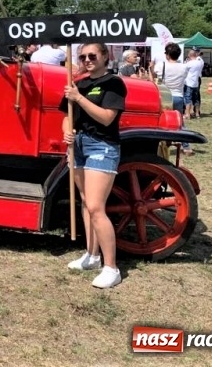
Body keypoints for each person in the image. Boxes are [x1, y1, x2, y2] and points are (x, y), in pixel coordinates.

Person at [60, 42, 126, 289]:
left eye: (92, 56)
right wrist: (67, 131)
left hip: (102, 146)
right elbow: (66, 115)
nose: (87, 60)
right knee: (86, 202)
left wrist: (78, 97)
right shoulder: (78, 83)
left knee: (97, 207)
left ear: (105, 56)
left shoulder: (113, 83)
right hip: (78, 145)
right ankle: (92, 255)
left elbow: (107, 118)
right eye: (83, 57)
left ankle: (112, 268)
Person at [159, 43, 193, 155]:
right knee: (180, 122)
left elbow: (156, 79)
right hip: (178, 96)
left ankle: (164, 143)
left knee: (161, 121)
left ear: (168, 54)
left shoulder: (162, 65)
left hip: (165, 96)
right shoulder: (184, 67)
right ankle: (186, 146)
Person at [184, 48, 204, 119]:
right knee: (196, 98)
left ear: (189, 55)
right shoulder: (200, 62)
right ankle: (197, 113)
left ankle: (187, 114)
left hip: (189, 82)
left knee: (188, 98)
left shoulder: (189, 63)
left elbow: (184, 70)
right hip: (196, 82)